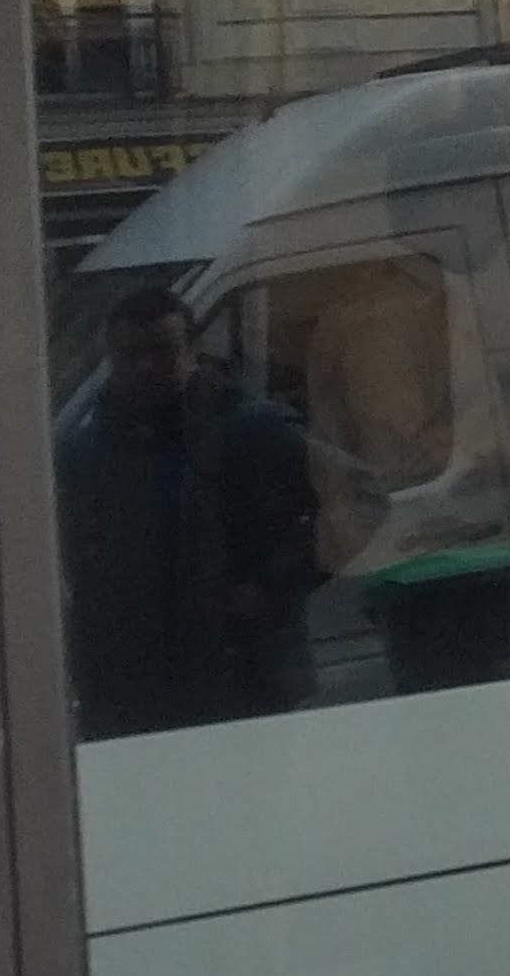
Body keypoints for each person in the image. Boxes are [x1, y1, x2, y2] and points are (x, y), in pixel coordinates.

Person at [50, 289, 342, 738]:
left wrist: (269, 587)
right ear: (110, 358)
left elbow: (356, 503)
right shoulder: (82, 453)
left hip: (243, 682)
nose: (145, 366)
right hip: (129, 691)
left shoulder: (250, 430)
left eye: (161, 350)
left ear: (192, 350)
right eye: (130, 355)